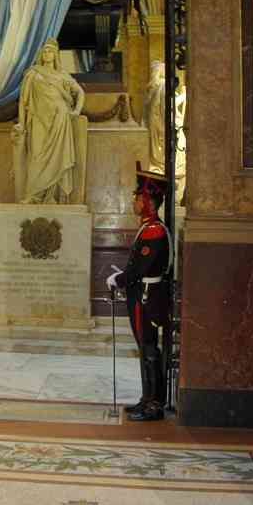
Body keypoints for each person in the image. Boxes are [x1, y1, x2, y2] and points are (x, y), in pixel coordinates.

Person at [105, 164, 173, 421]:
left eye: (138, 197)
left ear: (149, 202)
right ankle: (147, 399)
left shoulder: (154, 230)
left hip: (146, 297)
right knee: (145, 349)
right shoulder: (148, 227)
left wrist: (118, 280)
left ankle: (154, 404)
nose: (134, 201)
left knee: (149, 349)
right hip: (142, 295)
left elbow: (141, 268)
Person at [12, 37, 86, 203]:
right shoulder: (33, 73)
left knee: (58, 158)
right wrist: (22, 123)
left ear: (56, 55)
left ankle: (51, 196)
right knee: (36, 156)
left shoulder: (62, 75)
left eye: (50, 51)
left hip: (60, 119)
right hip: (38, 119)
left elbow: (80, 92)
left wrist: (76, 110)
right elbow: (23, 102)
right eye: (44, 50)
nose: (47, 53)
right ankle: (33, 195)